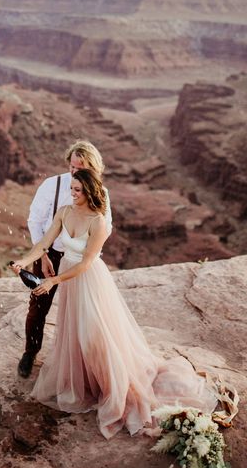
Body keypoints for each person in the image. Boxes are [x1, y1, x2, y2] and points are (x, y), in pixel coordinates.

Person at [11, 169, 218, 440]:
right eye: (71, 189)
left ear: (90, 193)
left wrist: (53, 282)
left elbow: (85, 263)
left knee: (93, 334)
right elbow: (44, 243)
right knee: (75, 334)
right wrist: (24, 263)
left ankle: (113, 389)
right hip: (70, 280)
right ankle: (89, 381)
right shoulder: (64, 212)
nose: (71, 194)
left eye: (77, 190)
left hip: (89, 281)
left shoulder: (98, 223)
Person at [17, 140, 112, 379]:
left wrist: (87, 253)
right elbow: (35, 221)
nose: (75, 172)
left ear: (94, 168)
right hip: (48, 253)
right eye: (72, 167)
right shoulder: (52, 185)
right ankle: (30, 352)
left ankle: (90, 365)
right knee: (38, 307)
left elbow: (104, 228)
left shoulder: (102, 193)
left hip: (80, 260)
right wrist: (41, 256)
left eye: (82, 167)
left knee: (85, 314)